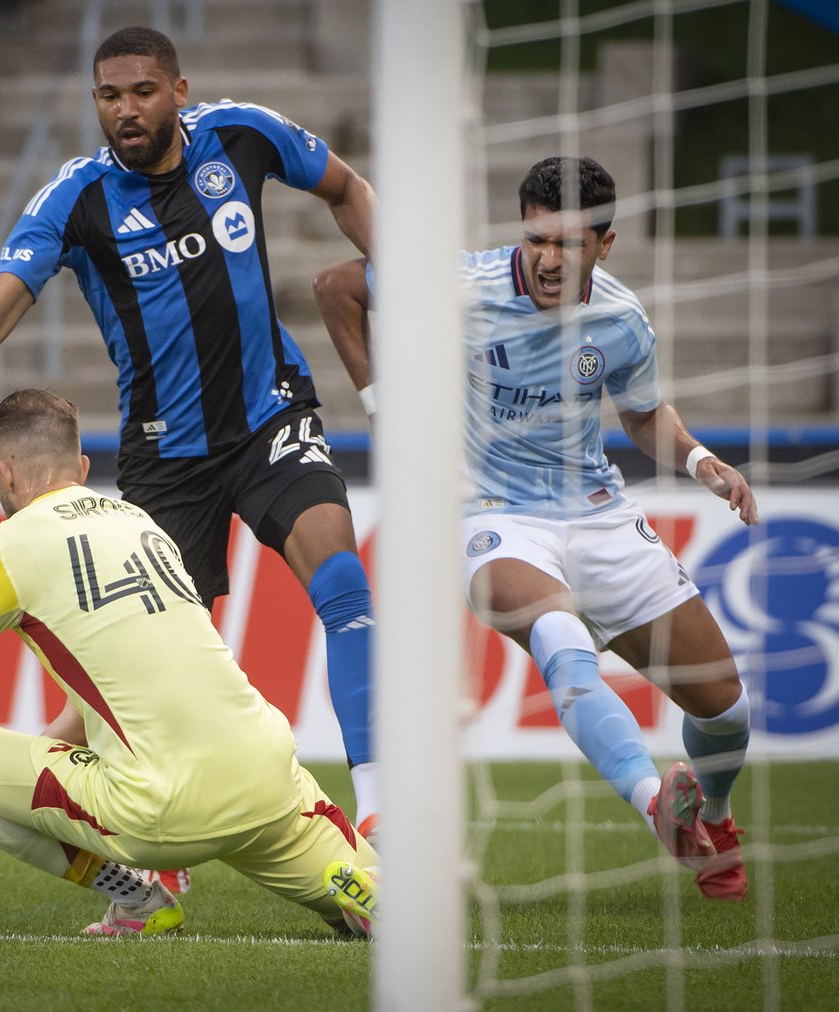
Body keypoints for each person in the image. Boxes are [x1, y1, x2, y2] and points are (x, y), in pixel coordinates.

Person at [0, 27, 382, 834]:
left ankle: (378, 810)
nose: (124, 111)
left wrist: (400, 271)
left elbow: (346, 187)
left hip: (271, 415)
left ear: (177, 91)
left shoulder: (241, 135)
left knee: (342, 584)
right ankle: (142, 874)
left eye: (140, 92)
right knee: (146, 673)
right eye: (108, 96)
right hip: (165, 460)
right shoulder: (74, 198)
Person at [312, 156, 757, 900]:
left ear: (604, 246)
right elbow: (336, 287)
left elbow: (642, 415)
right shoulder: (462, 284)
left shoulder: (620, 317)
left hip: (597, 514)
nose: (549, 259)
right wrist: (379, 402)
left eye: (569, 243)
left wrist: (702, 460)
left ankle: (714, 816)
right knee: (562, 641)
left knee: (725, 705)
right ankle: (657, 805)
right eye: (536, 240)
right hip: (491, 517)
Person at [0, 388, 380, 937]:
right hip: (271, 778)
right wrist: (0, 797)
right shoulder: (139, 520)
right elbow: (107, 692)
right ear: (83, 470)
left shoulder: (9, 547)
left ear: (4, 474)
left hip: (161, 812)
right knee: (390, 914)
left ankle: (138, 901)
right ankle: (355, 894)